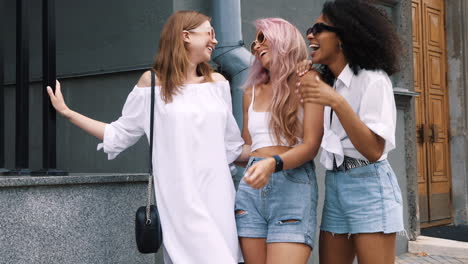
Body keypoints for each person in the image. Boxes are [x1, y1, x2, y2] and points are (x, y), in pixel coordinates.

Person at [47, 10, 250, 264]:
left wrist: (281, 152)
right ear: (186, 36)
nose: (215, 41)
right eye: (209, 33)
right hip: (181, 201)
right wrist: (68, 113)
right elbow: (118, 134)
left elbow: (230, 147)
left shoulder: (218, 83)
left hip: (219, 198)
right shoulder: (152, 84)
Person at [296, 1, 404, 263]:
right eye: (311, 28)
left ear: (343, 36)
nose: (310, 34)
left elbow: (374, 149)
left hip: (369, 183)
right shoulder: (329, 81)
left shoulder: (373, 79)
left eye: (319, 28)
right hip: (336, 183)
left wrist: (336, 101)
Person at [234, 18, 323, 264]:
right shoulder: (250, 92)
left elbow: (311, 146)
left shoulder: (307, 80)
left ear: (283, 39)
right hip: (250, 191)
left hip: (292, 187)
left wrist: (272, 164)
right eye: (254, 43)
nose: (256, 46)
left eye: (262, 38)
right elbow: (249, 148)